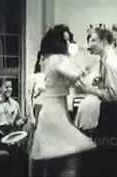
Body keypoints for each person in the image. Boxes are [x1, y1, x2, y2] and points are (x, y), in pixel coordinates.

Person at [30, 24, 96, 177]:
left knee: (57, 157)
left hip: (56, 109)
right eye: (65, 40)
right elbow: (72, 74)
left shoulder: (53, 58)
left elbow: (74, 82)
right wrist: (84, 65)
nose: (68, 44)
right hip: (53, 111)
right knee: (70, 152)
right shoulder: (55, 58)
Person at [74, 27, 117, 176]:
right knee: (108, 160)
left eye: (93, 40)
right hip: (112, 113)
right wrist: (101, 83)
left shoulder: (109, 63)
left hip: (113, 115)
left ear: (104, 42)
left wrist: (87, 89)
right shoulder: (105, 62)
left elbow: (112, 95)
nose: (89, 45)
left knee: (108, 162)